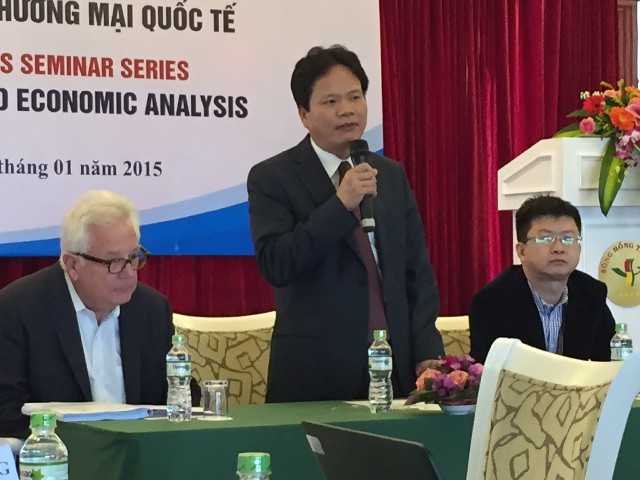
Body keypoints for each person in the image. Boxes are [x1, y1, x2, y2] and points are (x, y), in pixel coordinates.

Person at [247, 45, 443, 403]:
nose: (347, 109)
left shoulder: (390, 175)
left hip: (397, 371)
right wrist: (340, 205)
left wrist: (428, 353)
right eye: (330, 101)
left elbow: (416, 272)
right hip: (316, 374)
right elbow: (277, 263)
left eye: (355, 97)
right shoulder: (272, 177)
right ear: (304, 114)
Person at [0, 190, 174, 438]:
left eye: (134, 257)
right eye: (113, 261)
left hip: (139, 455)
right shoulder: (17, 309)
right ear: (73, 265)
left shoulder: (151, 309)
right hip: (61, 455)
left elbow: (176, 395)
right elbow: (6, 411)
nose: (128, 272)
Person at [469, 195, 615, 364]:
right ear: (522, 251)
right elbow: (486, 373)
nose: (558, 248)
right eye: (545, 238)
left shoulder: (592, 294)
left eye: (568, 238)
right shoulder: (491, 302)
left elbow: (607, 365)